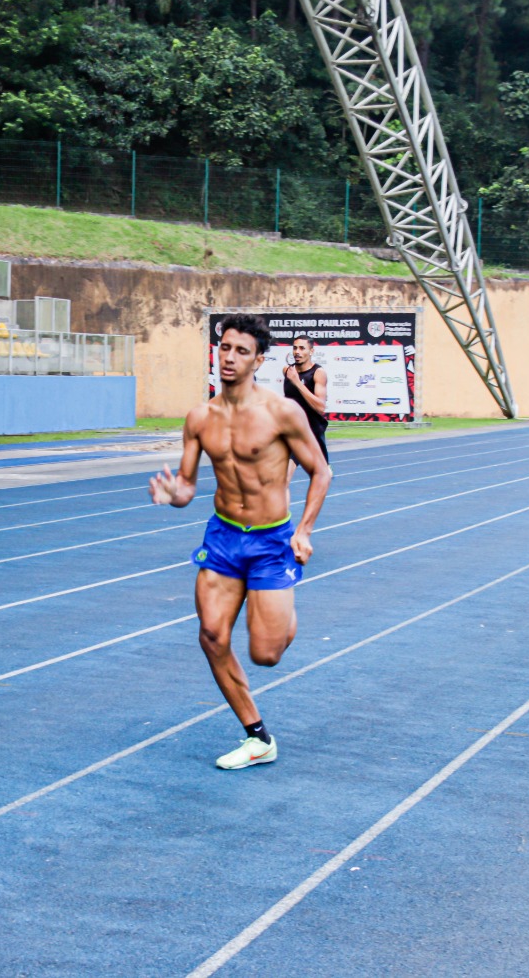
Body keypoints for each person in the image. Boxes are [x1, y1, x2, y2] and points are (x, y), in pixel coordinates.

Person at [148, 313, 332, 769]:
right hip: (224, 536)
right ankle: (257, 736)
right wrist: (174, 494)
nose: (229, 358)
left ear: (258, 360)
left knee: (265, 654)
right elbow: (188, 486)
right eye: (225, 348)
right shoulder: (199, 418)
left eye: (241, 351)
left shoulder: (281, 413)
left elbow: (320, 472)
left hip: (272, 541)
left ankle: (281, 611)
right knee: (211, 635)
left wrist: (304, 530)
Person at [282, 334, 331, 467]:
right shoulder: (287, 370)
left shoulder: (318, 373)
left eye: (302, 348)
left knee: (322, 477)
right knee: (282, 476)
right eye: (295, 348)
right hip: (293, 431)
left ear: (311, 351)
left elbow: (320, 408)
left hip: (312, 432)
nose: (297, 352)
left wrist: (297, 383)